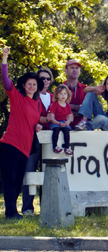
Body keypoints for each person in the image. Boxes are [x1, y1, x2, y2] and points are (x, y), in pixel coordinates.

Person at [0, 47, 43, 219]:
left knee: (18, 182)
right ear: (24, 86)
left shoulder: (38, 105)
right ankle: (11, 212)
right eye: (29, 84)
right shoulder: (17, 97)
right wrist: (4, 57)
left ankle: (12, 211)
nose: (32, 86)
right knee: (10, 180)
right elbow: (5, 79)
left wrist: (37, 126)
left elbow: (31, 122)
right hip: (10, 144)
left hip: (25, 149)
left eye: (34, 84)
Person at [21, 67, 54, 216]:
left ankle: (46, 207)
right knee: (30, 170)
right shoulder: (31, 97)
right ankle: (27, 208)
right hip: (33, 138)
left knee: (47, 172)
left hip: (50, 139)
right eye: (42, 78)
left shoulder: (54, 96)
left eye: (47, 78)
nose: (45, 81)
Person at [49, 85, 73, 155]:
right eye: (60, 93)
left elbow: (69, 116)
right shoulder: (54, 105)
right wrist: (59, 124)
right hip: (56, 122)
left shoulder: (67, 105)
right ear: (56, 95)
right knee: (56, 130)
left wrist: (67, 122)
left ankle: (67, 147)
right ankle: (55, 146)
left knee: (66, 130)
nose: (63, 95)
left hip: (63, 121)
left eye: (65, 93)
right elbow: (52, 118)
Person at [64, 59, 88, 128]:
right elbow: (59, 110)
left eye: (77, 68)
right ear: (66, 70)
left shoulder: (86, 89)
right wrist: (79, 109)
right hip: (64, 129)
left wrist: (71, 107)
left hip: (83, 130)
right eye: (72, 68)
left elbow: (89, 110)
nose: (75, 70)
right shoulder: (60, 89)